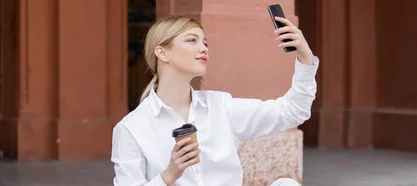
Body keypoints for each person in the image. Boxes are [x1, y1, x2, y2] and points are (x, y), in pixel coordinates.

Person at [111, 15, 317, 186]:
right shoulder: (131, 129)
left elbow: (292, 112)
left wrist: (305, 59)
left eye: (205, 42)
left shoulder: (221, 107)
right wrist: (168, 176)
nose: (203, 48)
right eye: (192, 40)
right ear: (162, 52)